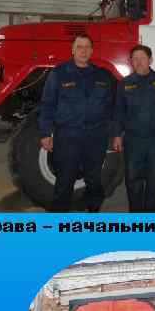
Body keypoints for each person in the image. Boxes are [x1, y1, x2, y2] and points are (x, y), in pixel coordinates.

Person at [38, 34, 114, 212]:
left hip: (95, 137)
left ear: (92, 51)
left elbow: (110, 106)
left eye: (87, 47)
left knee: (94, 178)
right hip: (68, 137)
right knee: (65, 179)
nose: (83, 51)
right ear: (72, 50)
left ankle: (93, 211)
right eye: (79, 47)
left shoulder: (103, 75)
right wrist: (45, 133)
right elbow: (48, 104)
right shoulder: (59, 73)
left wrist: (110, 132)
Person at [112, 44, 155, 212]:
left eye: (142, 58)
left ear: (150, 60)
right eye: (135, 59)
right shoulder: (124, 84)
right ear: (131, 62)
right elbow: (118, 112)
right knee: (133, 181)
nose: (138, 62)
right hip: (133, 140)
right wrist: (116, 135)